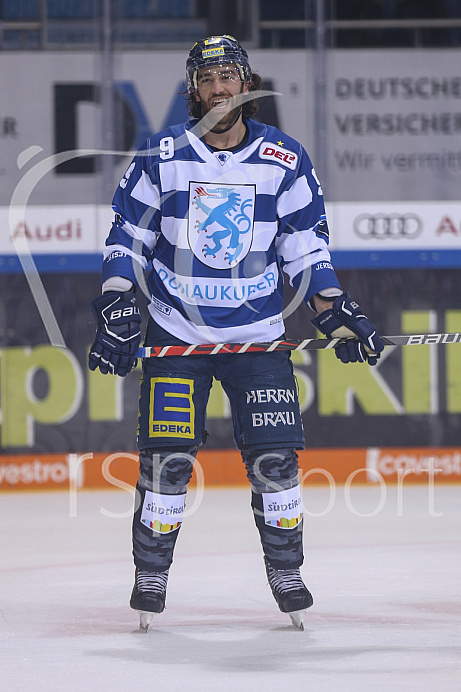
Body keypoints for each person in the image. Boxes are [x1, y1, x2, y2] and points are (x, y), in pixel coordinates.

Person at [88, 35, 384, 631]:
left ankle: (286, 571)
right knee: (167, 465)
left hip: (259, 340)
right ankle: (151, 573)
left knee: (276, 463)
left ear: (246, 84)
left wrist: (334, 309)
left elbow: (306, 247)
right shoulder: (161, 155)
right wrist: (117, 306)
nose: (219, 88)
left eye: (229, 77)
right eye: (208, 79)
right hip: (178, 338)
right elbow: (127, 242)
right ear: (193, 91)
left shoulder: (285, 158)